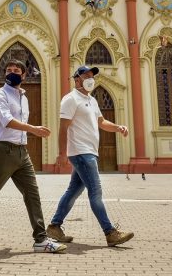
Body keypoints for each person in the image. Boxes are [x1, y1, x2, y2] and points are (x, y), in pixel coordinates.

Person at [0, 59, 66, 254]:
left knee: (32, 195)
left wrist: (28, 133)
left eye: (16, 70)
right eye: (8, 70)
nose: (12, 73)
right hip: (3, 152)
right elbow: (7, 121)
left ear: (24, 75)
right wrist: (33, 129)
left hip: (22, 152)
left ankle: (40, 240)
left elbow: (19, 124)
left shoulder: (23, 97)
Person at [48, 65, 134, 247]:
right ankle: (110, 232)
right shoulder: (70, 99)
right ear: (76, 79)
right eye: (86, 75)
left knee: (74, 191)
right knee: (95, 192)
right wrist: (62, 154)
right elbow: (63, 128)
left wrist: (118, 127)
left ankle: (54, 226)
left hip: (89, 152)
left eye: (92, 76)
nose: (90, 78)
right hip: (81, 152)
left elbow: (101, 122)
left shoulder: (91, 100)